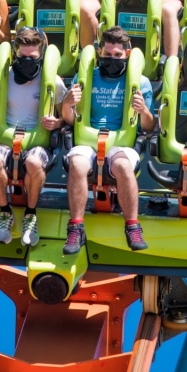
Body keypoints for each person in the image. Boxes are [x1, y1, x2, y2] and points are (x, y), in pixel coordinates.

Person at [61, 27, 155, 253]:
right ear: (99, 52)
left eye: (117, 56)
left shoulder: (141, 83)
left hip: (121, 143)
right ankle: (76, 228)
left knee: (123, 165)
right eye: (107, 55)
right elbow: (72, 121)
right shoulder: (85, 77)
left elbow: (149, 126)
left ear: (127, 55)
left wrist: (143, 110)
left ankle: (132, 225)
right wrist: (66, 104)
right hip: (88, 140)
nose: (111, 60)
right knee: (77, 163)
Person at [0, 27, 66, 247]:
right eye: (22, 57)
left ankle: (30, 213)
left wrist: (57, 123)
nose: (27, 61)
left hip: (37, 141)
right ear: (14, 54)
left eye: (32, 57)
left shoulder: (53, 82)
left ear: (41, 55)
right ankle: (5, 212)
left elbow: (66, 117)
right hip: (5, 137)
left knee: (34, 162)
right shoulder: (1, 79)